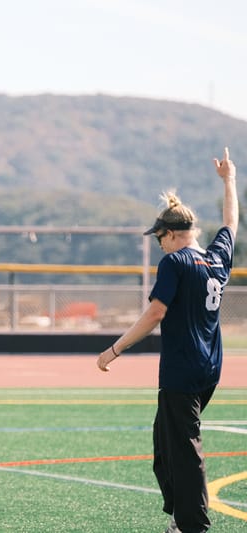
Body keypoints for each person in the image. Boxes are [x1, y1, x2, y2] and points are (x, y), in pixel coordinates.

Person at [96, 148, 238, 533]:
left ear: (173, 234)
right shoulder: (216, 258)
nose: (159, 244)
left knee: (184, 448)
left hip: (182, 369)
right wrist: (229, 181)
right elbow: (231, 224)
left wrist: (114, 349)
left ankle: (191, 524)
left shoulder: (174, 262)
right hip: (209, 368)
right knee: (165, 445)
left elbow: (155, 313)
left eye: (160, 237)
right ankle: (181, 511)